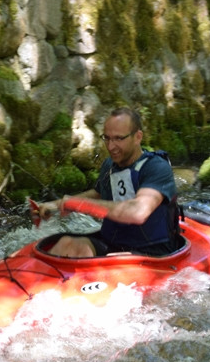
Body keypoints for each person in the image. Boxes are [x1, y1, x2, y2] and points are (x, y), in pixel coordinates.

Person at [33, 107, 183, 257]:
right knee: (66, 244)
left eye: (118, 138)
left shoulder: (156, 168)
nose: (111, 146)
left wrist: (78, 204)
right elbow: (99, 193)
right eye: (107, 138)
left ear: (137, 137)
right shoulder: (109, 165)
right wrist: (59, 204)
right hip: (113, 243)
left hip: (152, 253)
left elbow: (137, 212)